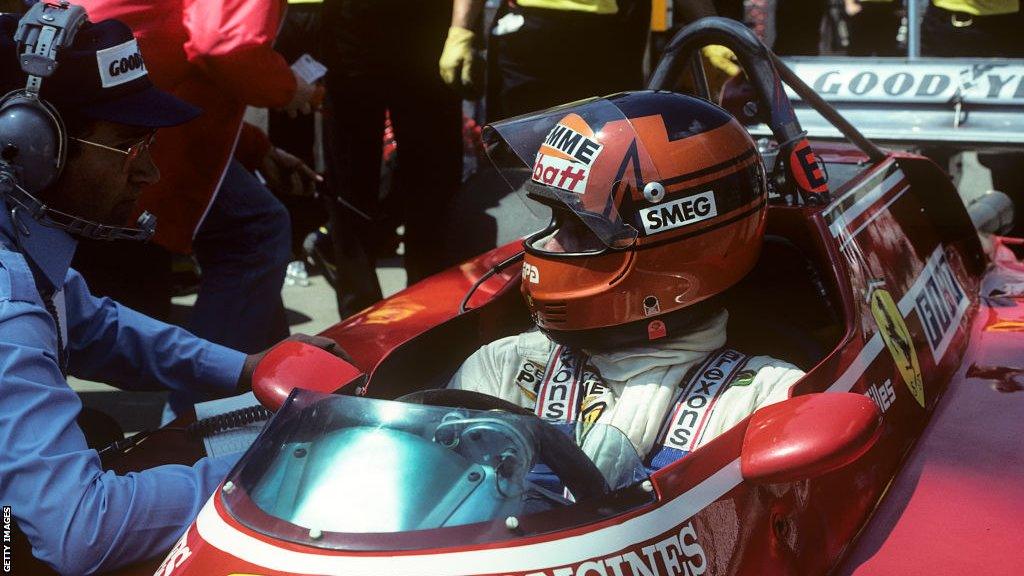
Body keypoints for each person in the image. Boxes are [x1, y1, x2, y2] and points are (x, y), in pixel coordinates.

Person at [0, 9, 336, 574]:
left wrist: (247, 367)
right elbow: (82, 530)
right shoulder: (8, 303)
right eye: (129, 146)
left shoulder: (22, 238)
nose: (149, 172)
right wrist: (288, 462)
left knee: (104, 431)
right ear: (29, 147)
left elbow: (94, 325)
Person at [449, 92, 804, 474]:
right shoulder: (504, 366)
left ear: (670, 249)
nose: (549, 246)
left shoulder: (763, 398)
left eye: (581, 229)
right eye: (557, 221)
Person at [77, 0, 322, 419]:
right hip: (107, 124)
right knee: (254, 233)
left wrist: (255, 149)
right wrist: (290, 87)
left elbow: (177, 56)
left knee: (254, 228)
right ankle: (201, 424)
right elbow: (223, 45)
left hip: (86, 107)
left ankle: (277, 392)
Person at [319, 0, 463, 317]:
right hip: (350, 31)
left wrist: (462, 26)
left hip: (426, 30)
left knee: (433, 174)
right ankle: (360, 314)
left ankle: (433, 307)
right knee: (349, 182)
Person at [441, 0, 657, 121]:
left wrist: (691, 33)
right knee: (517, 148)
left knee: (608, 148)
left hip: (605, 34)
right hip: (527, 32)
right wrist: (460, 30)